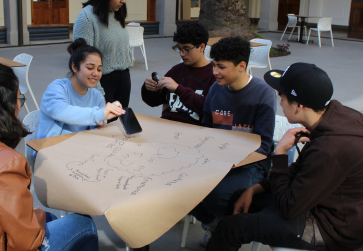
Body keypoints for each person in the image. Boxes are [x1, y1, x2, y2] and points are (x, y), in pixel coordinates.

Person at [0, 60, 98, 251]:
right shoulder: (5, 163)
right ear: (4, 106)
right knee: (83, 223)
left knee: (51, 218)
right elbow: (27, 242)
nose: (20, 105)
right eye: (19, 99)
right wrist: (36, 218)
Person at [206, 63, 363, 251]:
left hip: (331, 227)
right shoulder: (335, 117)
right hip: (318, 201)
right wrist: (253, 189)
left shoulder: (329, 149)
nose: (280, 103)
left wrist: (279, 153)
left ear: (299, 106)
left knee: (229, 229)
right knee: (240, 197)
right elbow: (300, 170)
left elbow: (289, 208)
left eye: (282, 98)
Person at [190, 36, 276, 246]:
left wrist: (227, 162)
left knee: (220, 194)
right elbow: (208, 130)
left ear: (241, 66)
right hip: (217, 158)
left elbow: (263, 146)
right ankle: (215, 224)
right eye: (213, 65)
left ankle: (228, 229)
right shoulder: (215, 90)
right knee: (180, 184)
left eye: (221, 67)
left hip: (251, 162)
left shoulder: (264, 94)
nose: (214, 72)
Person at [36, 38, 125, 144]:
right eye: (90, 68)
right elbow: (62, 111)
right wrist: (99, 114)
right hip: (50, 148)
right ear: (74, 67)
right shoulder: (56, 88)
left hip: (81, 148)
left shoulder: (97, 96)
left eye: (99, 69)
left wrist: (100, 121)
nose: (96, 73)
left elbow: (98, 130)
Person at [72, 0, 131, 109]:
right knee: (103, 128)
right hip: (101, 81)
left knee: (119, 126)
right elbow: (82, 58)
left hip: (123, 80)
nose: (123, 0)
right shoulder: (87, 17)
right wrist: (98, 91)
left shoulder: (117, 14)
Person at [141, 22, 216, 125]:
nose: (181, 54)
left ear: (202, 47)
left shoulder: (215, 74)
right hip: (166, 125)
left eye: (186, 49)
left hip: (194, 130)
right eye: (179, 49)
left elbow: (211, 109)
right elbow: (153, 101)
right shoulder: (176, 70)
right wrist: (148, 89)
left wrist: (178, 89)